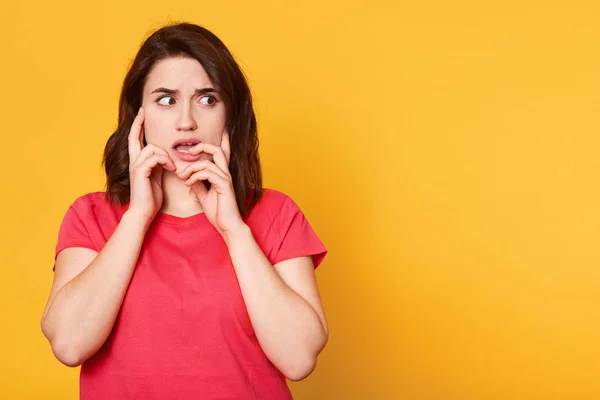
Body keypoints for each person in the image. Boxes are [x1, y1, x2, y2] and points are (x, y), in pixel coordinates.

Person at [40, 22, 328, 399]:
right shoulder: (92, 216)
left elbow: (299, 358)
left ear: (230, 115)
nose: (187, 120)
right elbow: (69, 343)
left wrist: (234, 230)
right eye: (166, 99)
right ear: (138, 117)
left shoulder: (275, 213)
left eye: (207, 99)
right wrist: (138, 217)